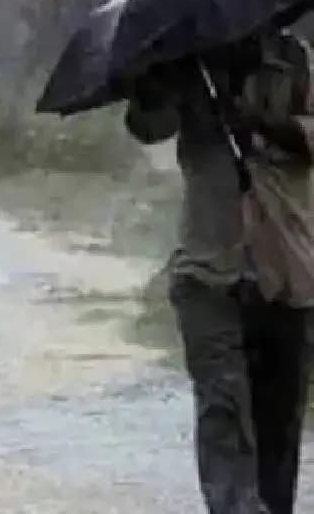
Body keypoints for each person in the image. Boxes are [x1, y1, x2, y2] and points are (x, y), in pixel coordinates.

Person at [124, 28, 314, 514]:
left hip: (286, 270)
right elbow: (148, 127)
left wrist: (255, 123)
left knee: (278, 425)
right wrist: (149, 87)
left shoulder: (295, 61)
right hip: (209, 272)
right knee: (223, 410)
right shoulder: (191, 62)